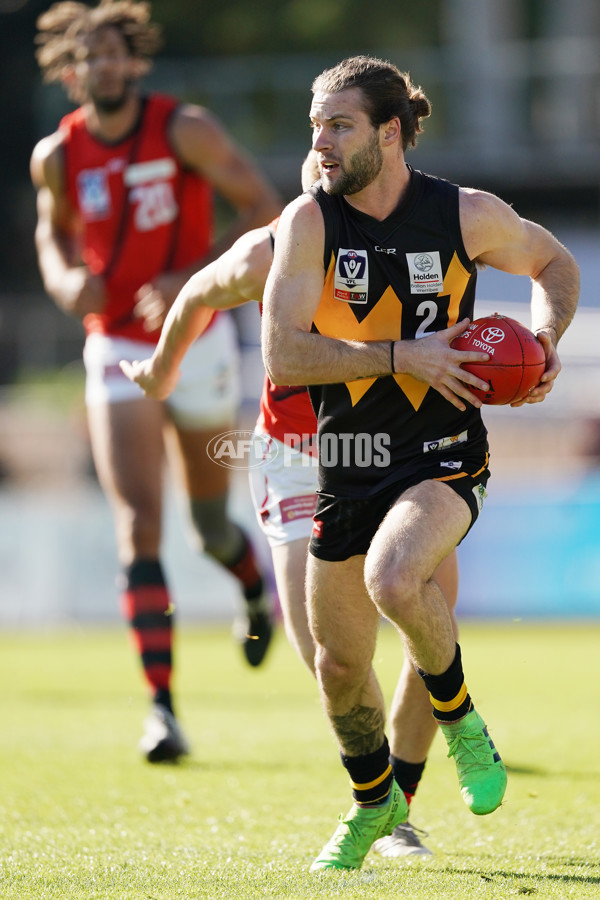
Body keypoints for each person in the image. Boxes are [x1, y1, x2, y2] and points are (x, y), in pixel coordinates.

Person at [261, 55, 579, 871]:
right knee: (339, 668)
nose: (320, 143)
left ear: (391, 132)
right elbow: (286, 358)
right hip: (347, 459)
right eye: (315, 126)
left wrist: (542, 344)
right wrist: (406, 355)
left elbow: (555, 264)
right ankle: (373, 808)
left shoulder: (464, 214)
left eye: (339, 125)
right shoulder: (309, 222)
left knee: (396, 577)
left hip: (443, 456)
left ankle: (463, 722)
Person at [119, 153, 462, 860]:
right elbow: (195, 296)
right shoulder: (268, 248)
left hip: (400, 450)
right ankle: (379, 802)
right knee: (331, 659)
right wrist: (160, 368)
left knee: (431, 631)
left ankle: (402, 809)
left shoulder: (413, 235)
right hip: (299, 459)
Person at [29, 0, 283, 764]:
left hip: (199, 344)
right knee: (138, 525)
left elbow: (264, 210)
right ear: (71, 71)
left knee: (208, 529)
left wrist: (188, 278)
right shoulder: (58, 154)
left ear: (134, 62)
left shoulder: (185, 128)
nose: (103, 66)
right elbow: (53, 231)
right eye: (88, 56)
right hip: (113, 351)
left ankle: (250, 589)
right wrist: (64, 278)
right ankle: (163, 711)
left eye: (115, 53)